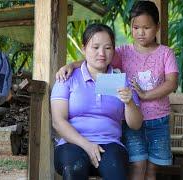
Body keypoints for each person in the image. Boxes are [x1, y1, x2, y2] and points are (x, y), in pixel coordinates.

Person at [55, 1, 179, 180]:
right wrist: (71, 65)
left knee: (150, 168)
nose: (141, 32)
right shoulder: (122, 52)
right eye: (136, 27)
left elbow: (172, 83)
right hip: (122, 127)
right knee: (137, 163)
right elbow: (97, 58)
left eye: (147, 27)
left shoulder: (163, 54)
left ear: (158, 27)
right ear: (130, 27)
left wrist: (141, 96)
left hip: (156, 118)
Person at [51, 23, 143, 180]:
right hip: (72, 143)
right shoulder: (67, 78)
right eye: (95, 47)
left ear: (113, 50)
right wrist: (87, 145)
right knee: (74, 168)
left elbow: (136, 124)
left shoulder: (121, 81)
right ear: (83, 48)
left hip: (110, 144)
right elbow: (58, 121)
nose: (102, 53)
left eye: (108, 48)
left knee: (116, 171)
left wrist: (129, 102)